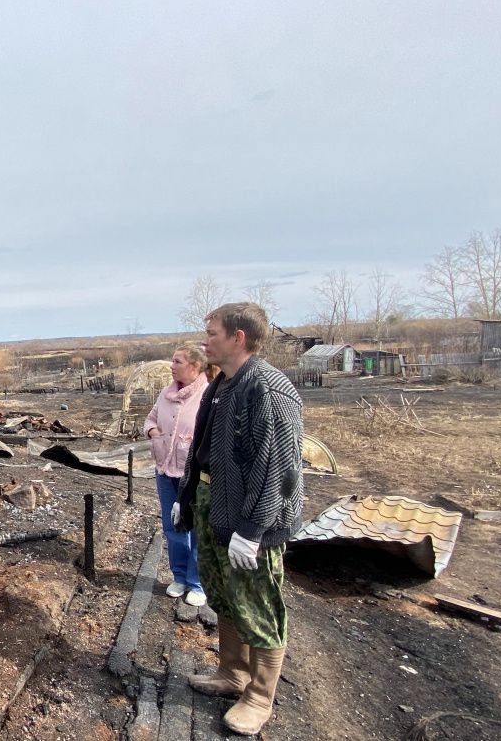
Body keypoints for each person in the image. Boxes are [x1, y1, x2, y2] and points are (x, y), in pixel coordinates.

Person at [174, 302, 305, 736]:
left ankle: (260, 696)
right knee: (224, 593)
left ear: (238, 338)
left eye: (211, 333)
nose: (204, 340)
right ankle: (233, 673)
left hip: (254, 522)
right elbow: (203, 448)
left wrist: (252, 532)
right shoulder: (223, 386)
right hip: (216, 504)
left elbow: (278, 469)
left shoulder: (267, 389)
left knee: (258, 602)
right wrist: (187, 495)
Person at [143, 343, 211, 606]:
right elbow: (150, 418)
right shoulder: (166, 393)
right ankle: (179, 576)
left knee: (195, 527)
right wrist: (154, 433)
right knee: (173, 527)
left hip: (191, 474)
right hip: (164, 470)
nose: (171, 366)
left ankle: (197, 583)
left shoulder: (206, 395)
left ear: (194, 366)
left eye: (177, 361)